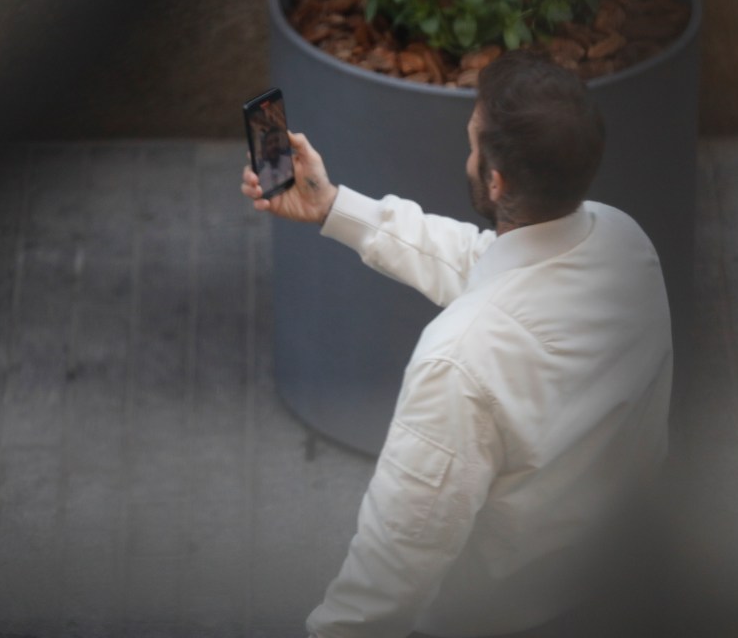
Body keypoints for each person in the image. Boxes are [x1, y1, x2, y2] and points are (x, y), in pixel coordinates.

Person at [240, 51, 673, 638]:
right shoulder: (624, 241)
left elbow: (396, 560)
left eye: (472, 143)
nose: (466, 154)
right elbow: (487, 261)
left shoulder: (458, 362)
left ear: (494, 180)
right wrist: (334, 206)